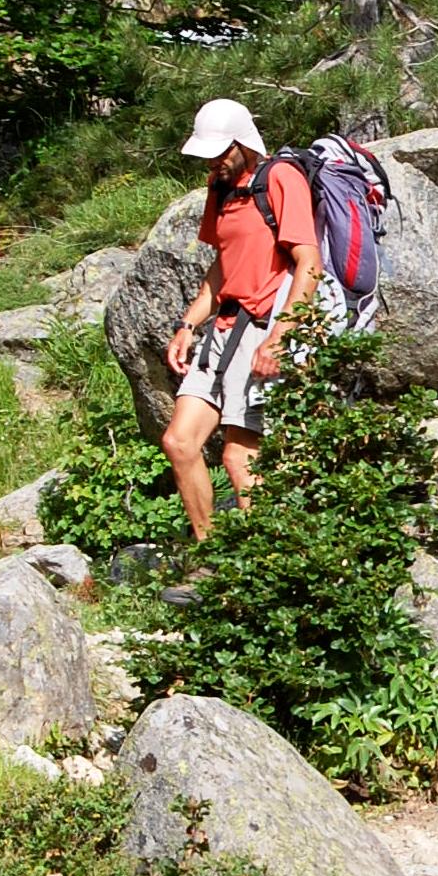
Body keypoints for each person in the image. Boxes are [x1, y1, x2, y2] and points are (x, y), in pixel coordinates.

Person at [160, 98, 321, 586]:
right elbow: (221, 266)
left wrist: (281, 335)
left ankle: (263, 571)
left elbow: (308, 263)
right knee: (179, 441)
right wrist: (188, 324)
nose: (214, 161)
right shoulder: (220, 188)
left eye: (221, 151)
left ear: (243, 141)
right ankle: (212, 560)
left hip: (262, 326)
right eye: (208, 154)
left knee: (239, 455)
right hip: (222, 328)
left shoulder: (280, 180)